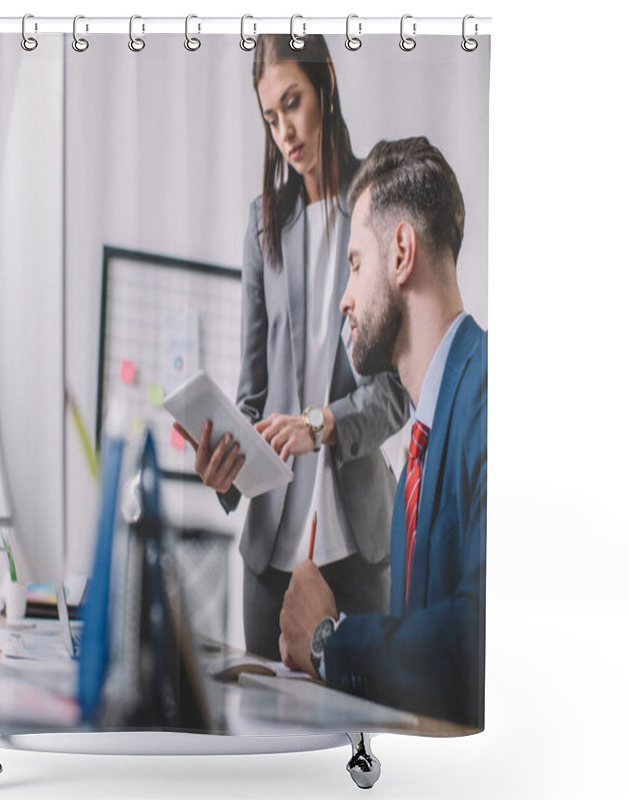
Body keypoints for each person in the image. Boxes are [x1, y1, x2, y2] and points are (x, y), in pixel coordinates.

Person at [175, 35, 407, 660]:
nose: (285, 131)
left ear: (326, 81)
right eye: (270, 118)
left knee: (358, 731)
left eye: (293, 103)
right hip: (269, 556)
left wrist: (322, 423)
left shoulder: (380, 205)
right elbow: (252, 397)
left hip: (358, 551)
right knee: (265, 741)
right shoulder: (263, 226)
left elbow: (397, 391)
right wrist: (224, 468)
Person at [278, 136, 487, 728]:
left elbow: (472, 646)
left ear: (400, 254)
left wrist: (328, 640)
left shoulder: (492, 401)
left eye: (354, 265)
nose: (344, 299)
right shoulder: (414, 458)